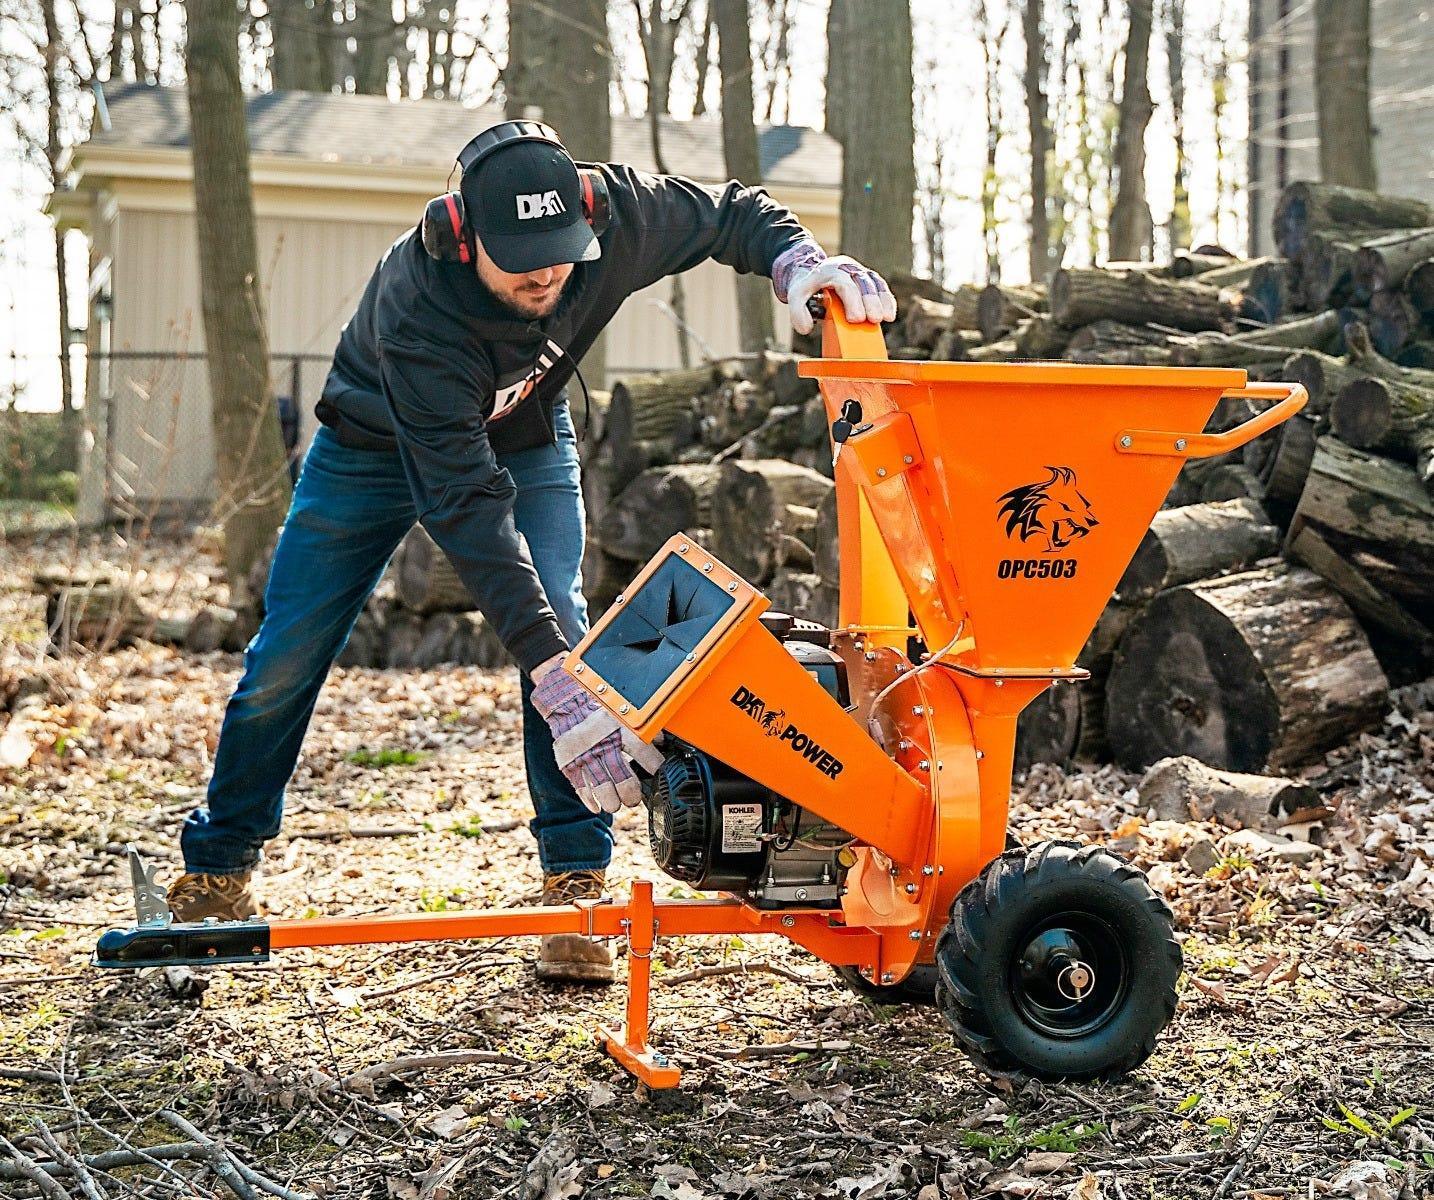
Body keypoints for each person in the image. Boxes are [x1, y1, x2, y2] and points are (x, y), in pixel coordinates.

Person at [166, 119, 896, 983]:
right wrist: (552, 675)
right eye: (521, 260)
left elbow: (730, 211)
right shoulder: (416, 306)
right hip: (372, 447)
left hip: (525, 427)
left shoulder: (617, 216)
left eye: (560, 250)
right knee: (289, 651)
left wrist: (799, 261)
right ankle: (219, 865)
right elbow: (467, 510)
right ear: (460, 235)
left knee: (565, 618)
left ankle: (574, 886)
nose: (548, 273)